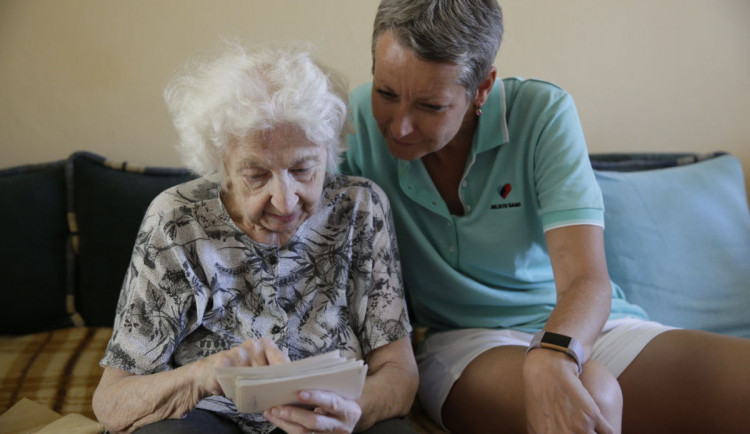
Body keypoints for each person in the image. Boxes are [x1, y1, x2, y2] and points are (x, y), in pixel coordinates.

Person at [341, 0, 750, 433]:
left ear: (482, 88)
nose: (399, 125)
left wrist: (553, 353)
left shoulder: (542, 113)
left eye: (430, 106)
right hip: (465, 341)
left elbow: (584, 280)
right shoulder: (350, 126)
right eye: (386, 93)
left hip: (583, 326)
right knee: (594, 395)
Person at [92, 41, 419, 434]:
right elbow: (112, 401)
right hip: (209, 415)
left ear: (328, 152)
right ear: (221, 163)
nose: (284, 201)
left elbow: (398, 371)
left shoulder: (361, 207)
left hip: (336, 413)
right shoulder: (176, 220)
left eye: (303, 169)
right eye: (256, 175)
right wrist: (201, 376)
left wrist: (350, 411)